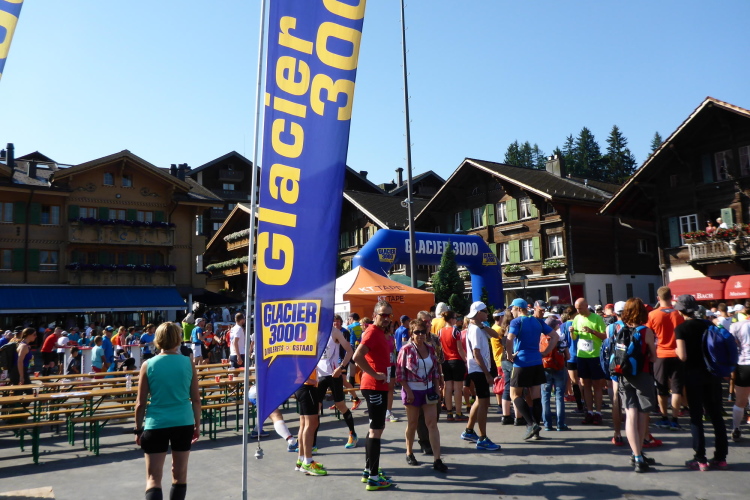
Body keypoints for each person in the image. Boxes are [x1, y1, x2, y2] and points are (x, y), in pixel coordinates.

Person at [134, 322, 201, 500]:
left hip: (156, 422)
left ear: (158, 339)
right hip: (183, 420)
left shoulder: (148, 364)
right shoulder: (187, 362)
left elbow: (140, 403)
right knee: (179, 474)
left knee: (153, 478)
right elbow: (196, 399)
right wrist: (197, 424)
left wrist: (138, 429)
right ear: (178, 339)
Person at [674, 294, 729, 471]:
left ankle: (700, 459)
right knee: (716, 416)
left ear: (681, 311)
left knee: (696, 417)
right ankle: (721, 457)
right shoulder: (708, 324)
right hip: (712, 374)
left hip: (693, 375)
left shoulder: (681, 329)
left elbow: (683, 356)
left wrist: (676, 351)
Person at [353, 300, 394, 491]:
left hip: (379, 386)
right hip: (374, 386)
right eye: (382, 314)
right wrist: (374, 374)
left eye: (388, 315)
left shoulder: (380, 333)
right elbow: (357, 356)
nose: (386, 318)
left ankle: (368, 470)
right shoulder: (371, 332)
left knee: (375, 429)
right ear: (374, 314)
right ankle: (374, 478)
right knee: (376, 430)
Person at [397, 318, 447, 472]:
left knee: (432, 424)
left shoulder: (430, 348)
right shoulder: (406, 350)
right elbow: (400, 374)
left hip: (429, 390)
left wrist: (437, 389)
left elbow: (435, 371)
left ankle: (437, 459)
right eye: (417, 332)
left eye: (423, 332)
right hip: (412, 391)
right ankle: (409, 452)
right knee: (412, 423)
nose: (420, 335)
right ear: (411, 333)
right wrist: (408, 390)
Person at [615, 298, 658, 473]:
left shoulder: (620, 329)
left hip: (624, 375)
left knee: (630, 414)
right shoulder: (645, 331)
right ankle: (638, 454)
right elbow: (654, 357)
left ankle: (636, 455)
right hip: (642, 375)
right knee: (642, 414)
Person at [506, 298, 555, 439]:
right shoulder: (538, 321)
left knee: (514, 395)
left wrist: (509, 355)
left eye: (512, 309)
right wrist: (545, 352)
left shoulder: (516, 322)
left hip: (521, 362)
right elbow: (555, 336)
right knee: (536, 396)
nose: (511, 311)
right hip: (537, 362)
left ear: (518, 308)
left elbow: (509, 339)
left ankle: (531, 424)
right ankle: (536, 432)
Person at [460, 301, 501, 451]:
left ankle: (469, 430)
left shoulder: (479, 327)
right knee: (484, 404)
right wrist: (487, 374)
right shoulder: (476, 329)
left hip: (477, 369)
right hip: (478, 370)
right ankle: (483, 438)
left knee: (479, 401)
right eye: (485, 311)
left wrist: (483, 326)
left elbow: (496, 335)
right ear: (478, 313)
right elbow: (476, 353)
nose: (487, 313)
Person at [647, 286, 685, 431]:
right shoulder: (679, 314)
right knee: (676, 389)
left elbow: (649, 335)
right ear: (672, 297)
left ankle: (664, 417)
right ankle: (675, 419)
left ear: (658, 298)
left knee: (661, 388)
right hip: (677, 354)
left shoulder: (653, 314)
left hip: (660, 355)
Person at [315, 323, 358, 449]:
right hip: (319, 375)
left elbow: (350, 351)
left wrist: (341, 367)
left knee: (340, 405)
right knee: (316, 408)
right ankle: (312, 442)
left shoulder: (334, 332)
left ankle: (352, 434)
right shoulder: (312, 331)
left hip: (334, 374)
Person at [571, 297, 607, 425]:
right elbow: (574, 337)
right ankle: (590, 412)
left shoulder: (597, 318)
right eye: (576, 308)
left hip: (595, 355)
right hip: (582, 355)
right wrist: (571, 332)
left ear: (586, 306)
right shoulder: (577, 318)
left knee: (596, 385)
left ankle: (598, 412)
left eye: (580, 308)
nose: (578, 311)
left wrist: (592, 331)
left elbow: (604, 336)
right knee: (585, 384)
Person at [294, 366, 327, 475]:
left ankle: (301, 459)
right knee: (311, 424)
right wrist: (311, 380)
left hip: (302, 386)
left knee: (304, 424)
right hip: (307, 387)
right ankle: (307, 462)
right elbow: (302, 365)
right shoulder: (306, 356)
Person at [541, 315, 569, 431]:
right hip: (559, 367)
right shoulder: (560, 337)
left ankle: (547, 424)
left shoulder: (541, 338)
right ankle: (560, 424)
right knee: (559, 396)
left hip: (545, 367)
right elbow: (568, 356)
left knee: (545, 396)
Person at [440, 310, 468, 422]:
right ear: (451, 319)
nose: (457, 320)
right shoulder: (455, 331)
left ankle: (449, 412)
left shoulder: (440, 331)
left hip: (445, 361)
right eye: (455, 318)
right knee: (457, 388)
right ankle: (458, 413)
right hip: (456, 360)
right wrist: (465, 360)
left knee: (448, 388)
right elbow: (459, 349)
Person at [606, 301, 627, 446]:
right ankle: (643, 434)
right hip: (630, 365)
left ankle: (617, 433)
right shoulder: (633, 326)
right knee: (632, 401)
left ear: (615, 313)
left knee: (616, 398)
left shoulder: (610, 328)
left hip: (615, 364)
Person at [730, 318, 750, 441]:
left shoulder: (737, 325)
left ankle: (736, 428)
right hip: (743, 363)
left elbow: (731, 346)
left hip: (744, 364)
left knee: (740, 401)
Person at [347, 313, 364, 411]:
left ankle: (351, 395)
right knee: (364, 370)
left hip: (352, 348)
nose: (348, 320)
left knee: (352, 372)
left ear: (352, 318)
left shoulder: (349, 327)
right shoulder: (362, 325)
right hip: (362, 348)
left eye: (349, 319)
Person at [11, 328, 36, 392]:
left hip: (22, 370)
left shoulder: (25, 345)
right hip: (19, 371)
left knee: (22, 392)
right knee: (28, 392)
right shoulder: (24, 346)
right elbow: (19, 361)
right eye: (34, 334)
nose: (35, 336)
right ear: (28, 335)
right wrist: (21, 376)